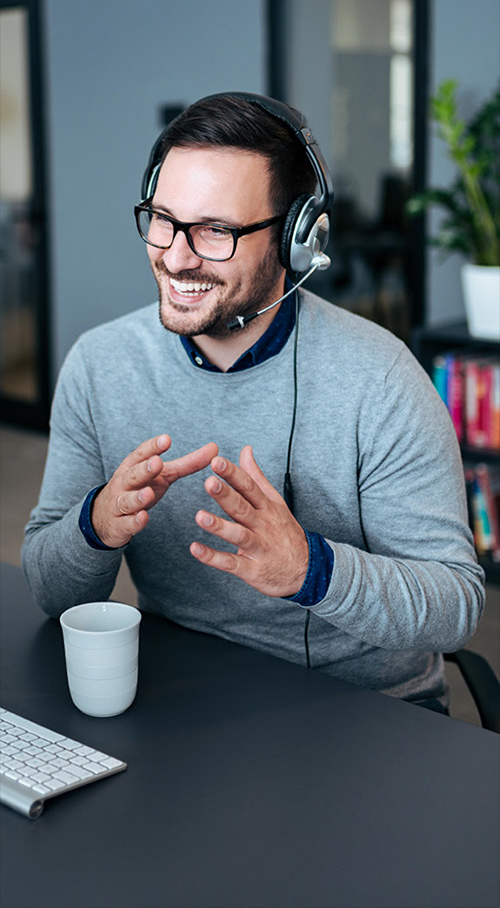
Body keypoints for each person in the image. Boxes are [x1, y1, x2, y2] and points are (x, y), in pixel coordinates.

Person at [22, 92, 484, 712]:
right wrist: (96, 524)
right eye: (162, 219)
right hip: (178, 696)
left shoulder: (381, 379)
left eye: (216, 230)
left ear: (295, 239)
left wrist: (310, 570)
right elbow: (50, 592)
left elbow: (455, 607)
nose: (175, 256)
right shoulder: (99, 364)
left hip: (362, 709)